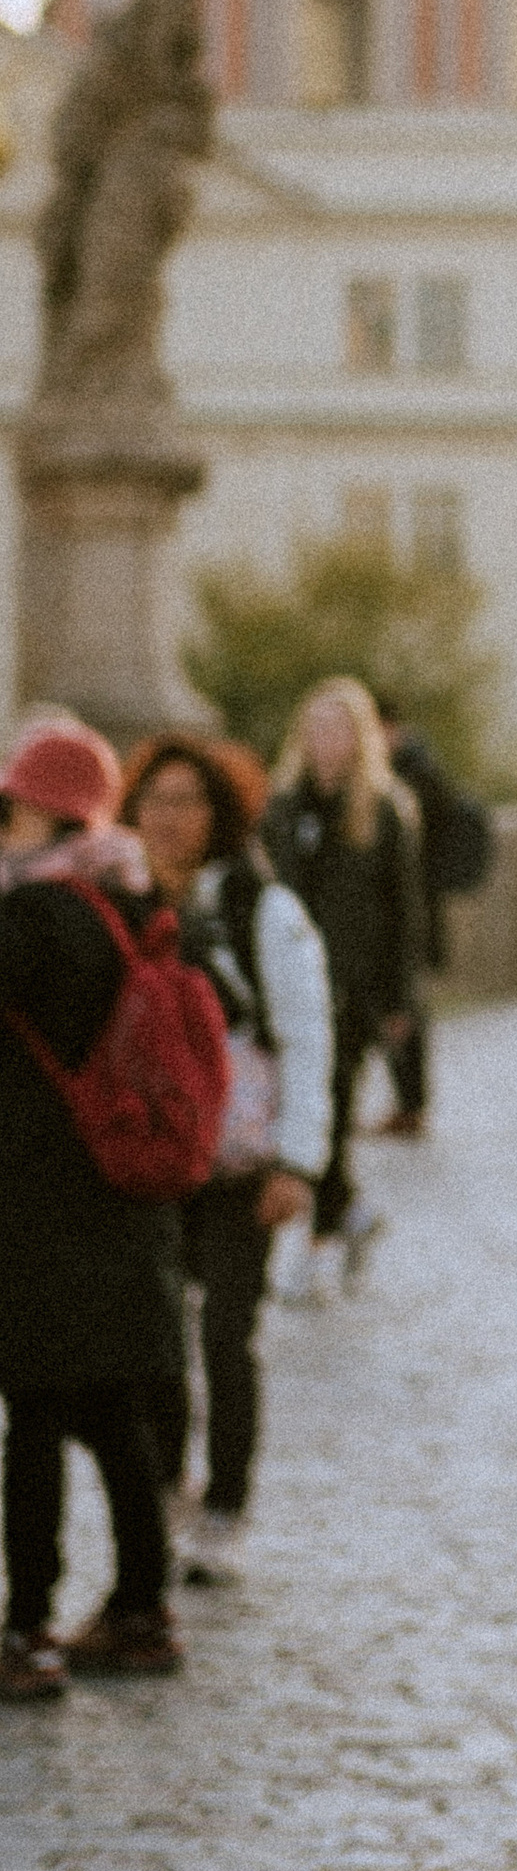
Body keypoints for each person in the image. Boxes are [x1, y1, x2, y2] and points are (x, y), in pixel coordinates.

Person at [0, 718, 185, 1695]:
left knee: (34, 1418)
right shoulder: (129, 895)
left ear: (44, 810)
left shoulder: (36, 917)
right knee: (114, 1415)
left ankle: (25, 1630)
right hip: (121, 1198)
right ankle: (142, 1611)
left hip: (41, 1206)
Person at [121, 737, 333, 1581]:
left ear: (221, 814)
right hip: (147, 1158)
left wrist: (299, 1163)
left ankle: (223, 1507)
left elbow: (307, 1033)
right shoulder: (118, 901)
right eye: (155, 800)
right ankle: (166, 1488)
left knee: (224, 1336)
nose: (169, 818)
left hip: (240, 1159)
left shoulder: (260, 908)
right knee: (154, 1338)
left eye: (187, 801)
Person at [263, 678, 425, 1301]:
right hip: (290, 983)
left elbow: (403, 913)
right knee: (297, 1112)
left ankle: (318, 1243)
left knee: (328, 1114)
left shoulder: (383, 811)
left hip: (353, 993)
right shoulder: (283, 810)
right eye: (315, 728)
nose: (324, 742)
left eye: (336, 729)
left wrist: (399, 1003)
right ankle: (350, 1214)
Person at [372, 697, 493, 1131]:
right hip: (409, 903)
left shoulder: (414, 774)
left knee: (404, 1005)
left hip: (413, 906)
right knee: (399, 1004)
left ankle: (411, 1104)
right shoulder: (414, 768)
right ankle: (409, 1102)